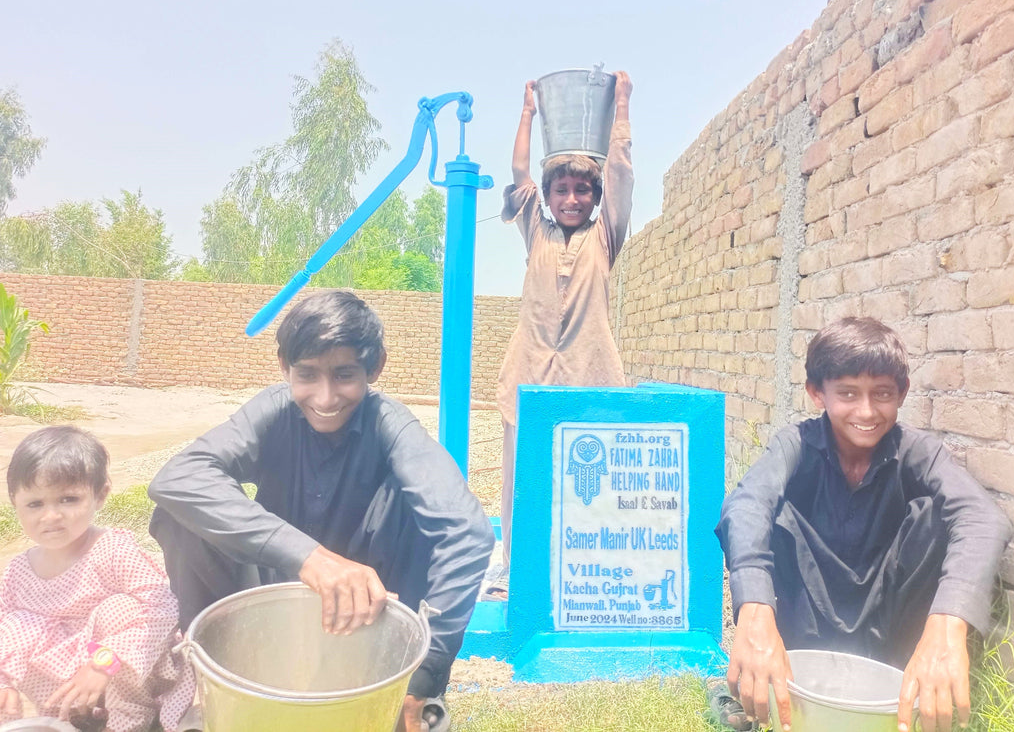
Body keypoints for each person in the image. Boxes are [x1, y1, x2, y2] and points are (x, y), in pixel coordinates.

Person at [148, 289, 493, 732]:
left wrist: (426, 670)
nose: (326, 397)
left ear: (375, 368)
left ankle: (406, 687)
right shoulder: (273, 412)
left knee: (426, 508)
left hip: (371, 619)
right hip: (270, 613)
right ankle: (220, 677)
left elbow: (468, 533)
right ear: (284, 369)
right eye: (307, 374)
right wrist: (312, 558)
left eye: (344, 375)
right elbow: (176, 479)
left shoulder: (390, 424)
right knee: (181, 516)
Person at [714, 317, 1012, 732]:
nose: (867, 411)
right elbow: (745, 504)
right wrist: (755, 612)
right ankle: (763, 682)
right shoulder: (796, 444)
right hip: (806, 627)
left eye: (882, 394)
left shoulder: (917, 452)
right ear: (817, 393)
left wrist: (948, 624)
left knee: (939, 517)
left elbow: (983, 518)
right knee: (768, 511)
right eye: (848, 393)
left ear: (902, 394)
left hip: (887, 633)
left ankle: (913, 683)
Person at [491, 71, 634, 597]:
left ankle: (585, 568)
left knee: (586, 477)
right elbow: (518, 169)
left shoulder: (605, 237)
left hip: (587, 373)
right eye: (562, 190)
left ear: (595, 199)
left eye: (581, 190)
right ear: (548, 197)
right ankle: (515, 563)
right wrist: (528, 111)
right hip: (529, 370)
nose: (571, 198)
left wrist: (621, 105)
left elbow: (619, 170)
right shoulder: (536, 229)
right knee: (521, 477)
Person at [0, 426, 194, 732]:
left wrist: (103, 664)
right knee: (12, 627)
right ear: (15, 503)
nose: (51, 516)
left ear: (100, 495)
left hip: (125, 671)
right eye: (35, 504)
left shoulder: (113, 550)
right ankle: (67, 717)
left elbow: (162, 609)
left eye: (68, 499)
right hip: (65, 685)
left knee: (118, 608)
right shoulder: (17, 571)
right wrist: (5, 683)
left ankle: (126, 723)